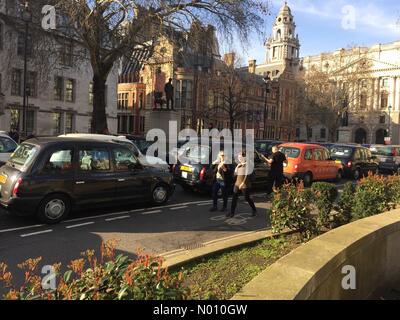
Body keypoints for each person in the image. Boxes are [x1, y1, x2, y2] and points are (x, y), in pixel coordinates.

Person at [228, 151, 257, 218]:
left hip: (245, 184)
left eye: (240, 157)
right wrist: (236, 167)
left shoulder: (248, 164)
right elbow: (234, 175)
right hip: (237, 184)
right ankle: (232, 213)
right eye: (238, 157)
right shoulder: (239, 165)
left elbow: (247, 175)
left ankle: (254, 210)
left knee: (247, 198)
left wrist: (243, 183)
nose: (239, 158)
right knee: (234, 198)